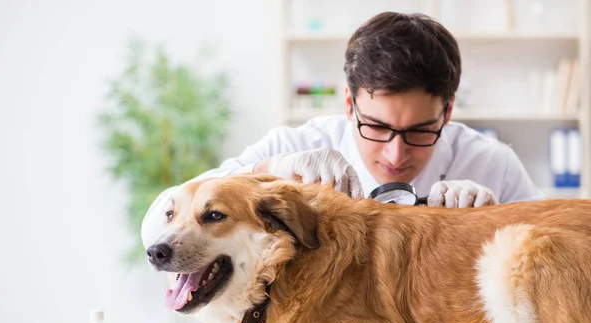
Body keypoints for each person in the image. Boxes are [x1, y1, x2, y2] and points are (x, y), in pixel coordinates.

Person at [142, 12, 543, 242]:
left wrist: (493, 223)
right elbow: (153, 229)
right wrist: (265, 177)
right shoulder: (295, 145)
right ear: (349, 104)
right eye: (377, 127)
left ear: (449, 112)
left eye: (421, 131)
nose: (395, 154)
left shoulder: (492, 165)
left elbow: (564, 260)